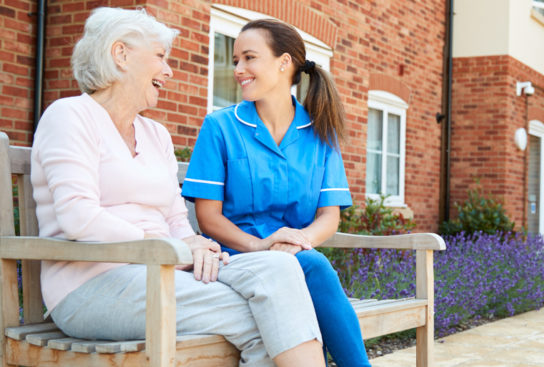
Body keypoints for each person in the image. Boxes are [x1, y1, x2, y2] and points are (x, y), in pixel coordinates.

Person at [30, 8, 326, 367]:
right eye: (159, 56)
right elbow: (78, 216)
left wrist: (195, 247)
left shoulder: (156, 135)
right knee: (266, 316)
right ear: (120, 55)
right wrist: (172, 247)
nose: (168, 70)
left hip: (165, 268)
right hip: (91, 285)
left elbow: (174, 217)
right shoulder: (70, 116)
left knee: (280, 269)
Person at [182, 18, 372, 367]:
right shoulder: (220, 127)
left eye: (249, 58)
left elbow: (329, 215)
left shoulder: (320, 132)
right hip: (235, 257)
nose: (238, 69)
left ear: (284, 62)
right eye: (236, 59)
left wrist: (297, 240)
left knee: (308, 264)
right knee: (312, 266)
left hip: (297, 256)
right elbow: (208, 218)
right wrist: (263, 245)